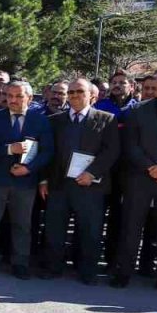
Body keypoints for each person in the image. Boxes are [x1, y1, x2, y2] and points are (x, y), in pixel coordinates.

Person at [38, 79, 119, 284]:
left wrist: (92, 173)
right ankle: (52, 267)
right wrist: (43, 180)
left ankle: (87, 271)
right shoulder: (55, 120)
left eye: (79, 91)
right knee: (54, 229)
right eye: (71, 92)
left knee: (90, 230)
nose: (74, 95)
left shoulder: (106, 119)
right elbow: (48, 152)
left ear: (93, 95)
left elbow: (111, 151)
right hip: (59, 185)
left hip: (90, 185)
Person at [112, 65, 157, 293]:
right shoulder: (137, 111)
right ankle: (123, 273)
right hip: (140, 178)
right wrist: (151, 167)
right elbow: (130, 146)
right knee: (131, 227)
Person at [0, 80, 53, 278]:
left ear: (29, 98)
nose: (13, 100)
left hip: (25, 181)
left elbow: (47, 151)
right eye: (9, 96)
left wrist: (29, 169)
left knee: (22, 224)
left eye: (18, 96)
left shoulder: (40, 120)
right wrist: (9, 149)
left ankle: (20, 262)